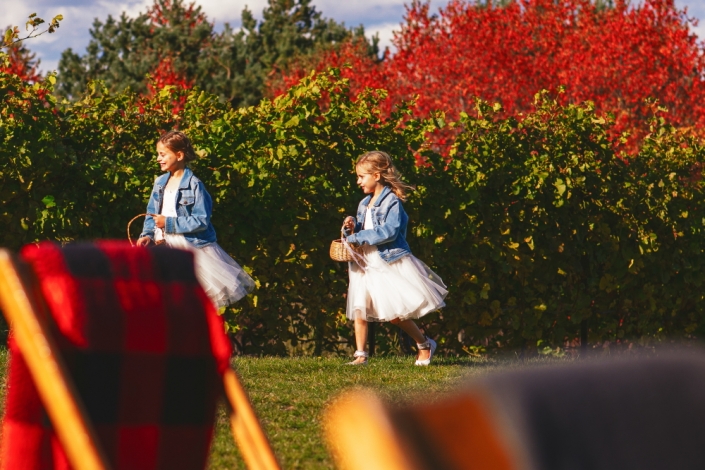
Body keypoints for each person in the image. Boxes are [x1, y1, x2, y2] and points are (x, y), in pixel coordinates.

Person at [343, 151, 447, 365]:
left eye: (362, 176)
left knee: (393, 313)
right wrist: (351, 227)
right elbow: (363, 230)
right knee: (359, 307)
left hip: (386, 261)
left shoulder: (392, 202)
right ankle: (360, 355)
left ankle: (424, 344)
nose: (358, 181)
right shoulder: (364, 203)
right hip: (364, 261)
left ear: (377, 175)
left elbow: (389, 231)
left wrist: (358, 235)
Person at [137, 130, 255, 308]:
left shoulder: (194, 185)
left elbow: (201, 220)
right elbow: (151, 213)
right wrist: (147, 235)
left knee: (188, 300)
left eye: (162, 154)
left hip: (189, 247)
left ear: (179, 155)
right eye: (157, 155)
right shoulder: (160, 182)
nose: (158, 159)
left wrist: (167, 223)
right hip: (164, 245)